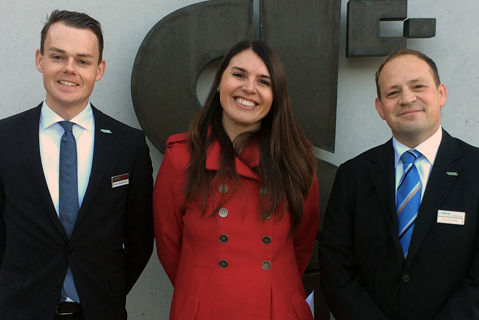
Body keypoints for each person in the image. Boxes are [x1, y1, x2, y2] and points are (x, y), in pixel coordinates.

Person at [0, 10, 153, 320]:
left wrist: (107, 290)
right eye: (58, 57)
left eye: (83, 61)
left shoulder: (128, 145)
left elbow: (140, 237)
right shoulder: (4, 138)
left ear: (99, 69)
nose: (69, 69)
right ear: (40, 59)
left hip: (100, 310)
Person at [153, 40, 319, 319]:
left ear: (275, 94)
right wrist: (202, 291)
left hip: (276, 308)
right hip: (205, 309)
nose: (249, 88)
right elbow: (169, 247)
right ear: (219, 82)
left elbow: (302, 242)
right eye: (239, 75)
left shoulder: (296, 160)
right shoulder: (182, 158)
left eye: (264, 82)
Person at [319, 48, 479, 319]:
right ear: (380, 107)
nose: (407, 99)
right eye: (393, 93)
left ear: (441, 94)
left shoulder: (476, 169)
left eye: (418, 86)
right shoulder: (353, 175)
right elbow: (336, 268)